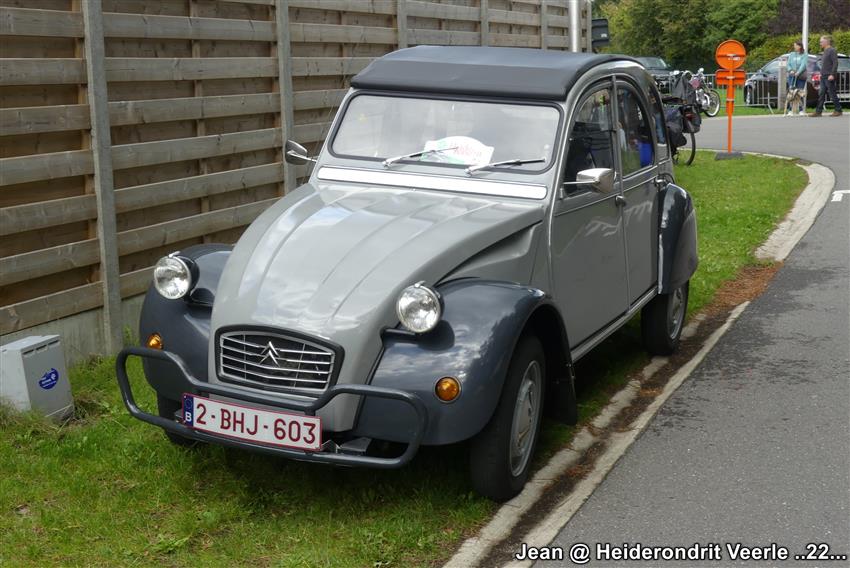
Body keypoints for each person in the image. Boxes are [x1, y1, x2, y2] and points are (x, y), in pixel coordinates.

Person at [810, 35, 843, 117]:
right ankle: (818, 111)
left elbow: (835, 63)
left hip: (829, 76)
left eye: (821, 42)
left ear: (826, 42)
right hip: (823, 76)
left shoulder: (832, 50)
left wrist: (832, 74)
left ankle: (838, 110)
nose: (820, 43)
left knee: (832, 93)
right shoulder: (825, 51)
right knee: (821, 94)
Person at [785, 40, 808, 116]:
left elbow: (803, 65)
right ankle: (790, 110)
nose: (794, 47)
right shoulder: (792, 54)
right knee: (791, 92)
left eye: (795, 45)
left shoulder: (804, 55)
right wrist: (790, 70)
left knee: (799, 92)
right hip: (792, 75)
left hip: (800, 76)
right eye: (794, 45)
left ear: (800, 46)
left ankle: (801, 110)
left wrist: (798, 72)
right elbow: (788, 64)